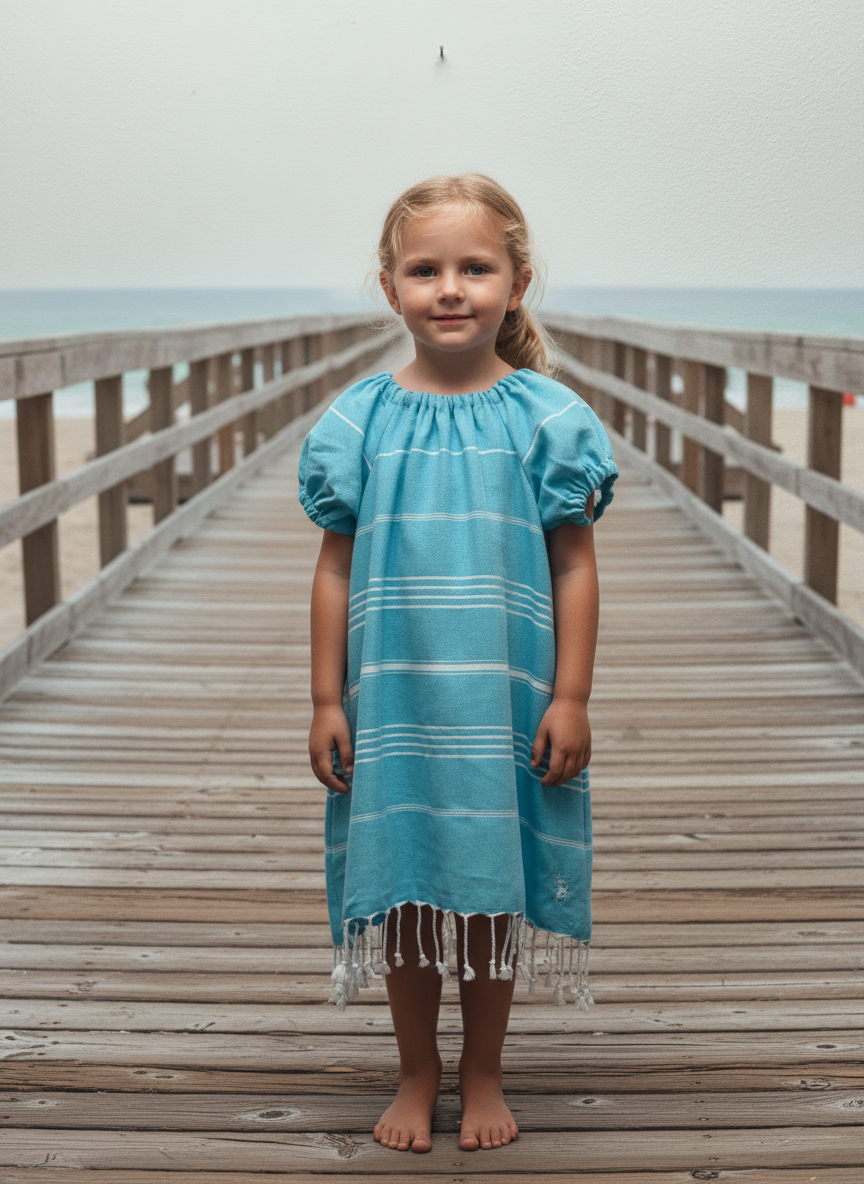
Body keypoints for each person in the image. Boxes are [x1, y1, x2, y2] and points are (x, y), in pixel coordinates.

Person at [298, 174, 618, 1154]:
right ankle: (415, 1067)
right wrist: (323, 697)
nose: (450, 287)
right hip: (394, 698)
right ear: (391, 287)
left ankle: (481, 1068)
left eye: (475, 267)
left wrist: (570, 693)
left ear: (516, 283)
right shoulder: (359, 420)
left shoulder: (547, 419)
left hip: (503, 697)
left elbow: (574, 563)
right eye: (424, 268)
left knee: (487, 881)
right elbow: (332, 567)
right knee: (402, 885)